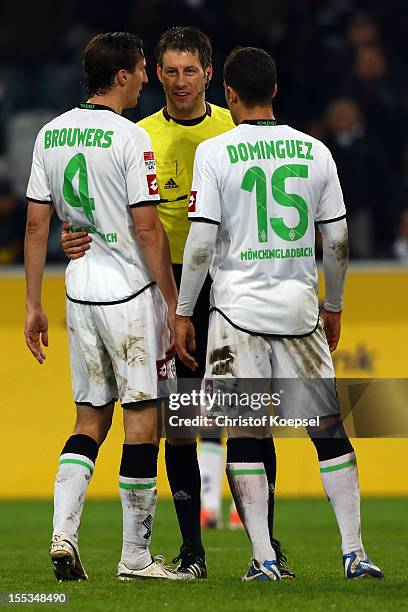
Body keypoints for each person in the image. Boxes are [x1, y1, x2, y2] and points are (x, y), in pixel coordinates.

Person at [61, 27, 294, 579]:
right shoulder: (137, 135)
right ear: (156, 74)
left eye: (191, 71)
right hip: (171, 297)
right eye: (170, 70)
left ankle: (266, 544)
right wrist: (73, 236)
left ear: (211, 76)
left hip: (232, 292)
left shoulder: (233, 131)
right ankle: (193, 548)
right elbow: (100, 214)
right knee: (181, 424)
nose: (180, 81)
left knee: (248, 420)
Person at [175, 46, 384, 582]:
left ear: (227, 94)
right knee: (329, 429)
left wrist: (182, 312)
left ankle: (264, 559)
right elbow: (336, 238)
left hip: (235, 311)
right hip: (297, 308)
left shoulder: (217, 153)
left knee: (245, 431)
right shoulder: (314, 151)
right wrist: (332, 305)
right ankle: (355, 552)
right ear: (275, 90)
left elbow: (199, 245)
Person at [24, 32, 183, 582]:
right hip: (130, 295)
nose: (147, 78)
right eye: (142, 70)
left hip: (78, 290)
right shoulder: (130, 137)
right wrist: (171, 298)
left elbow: (36, 223)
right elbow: (146, 227)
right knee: (142, 418)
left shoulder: (50, 132)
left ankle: (63, 533)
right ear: (121, 76)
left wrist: (32, 305)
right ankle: (135, 557)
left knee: (88, 420)